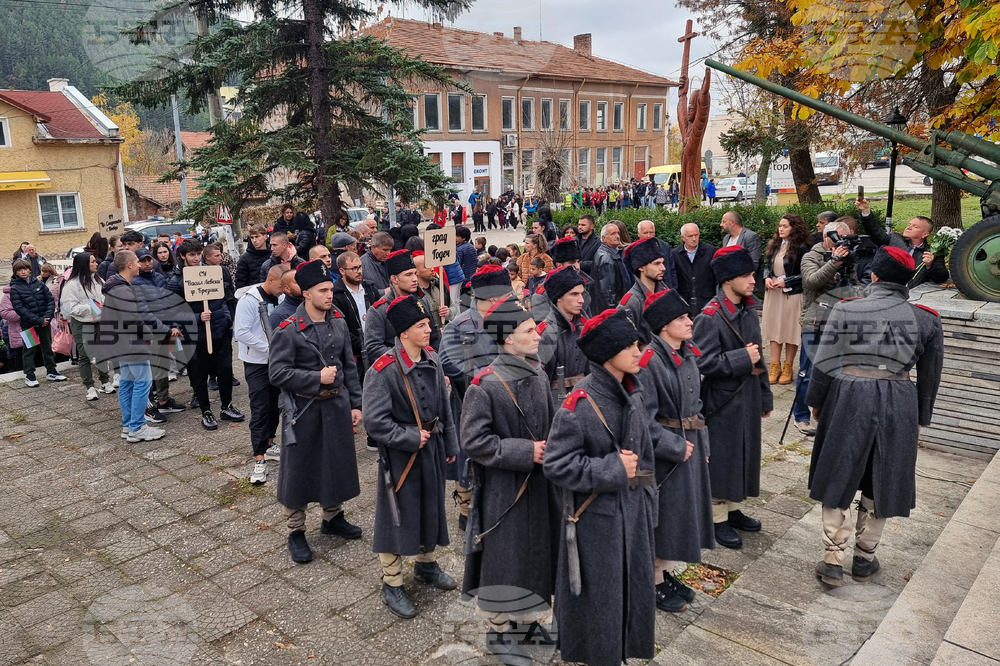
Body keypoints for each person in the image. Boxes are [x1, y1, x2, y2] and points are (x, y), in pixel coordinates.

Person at [807, 247, 943, 586]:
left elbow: (824, 361)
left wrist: (816, 402)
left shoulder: (846, 309)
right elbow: (930, 376)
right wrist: (920, 417)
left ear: (875, 276)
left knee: (839, 470)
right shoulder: (927, 318)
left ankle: (832, 560)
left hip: (848, 396)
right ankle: (865, 558)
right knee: (883, 475)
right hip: (899, 400)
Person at [543, 308, 657, 666]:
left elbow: (646, 458)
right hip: (596, 523)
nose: (639, 352)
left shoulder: (633, 393)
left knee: (630, 593)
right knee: (600, 605)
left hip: (632, 515)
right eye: (631, 346)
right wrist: (611, 468)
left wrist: (649, 506)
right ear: (609, 353)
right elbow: (556, 465)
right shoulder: (578, 406)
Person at [460, 295, 558, 660]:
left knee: (534, 554)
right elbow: (474, 442)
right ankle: (499, 632)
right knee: (506, 558)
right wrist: (525, 452)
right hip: (504, 491)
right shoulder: (483, 385)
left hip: (540, 486)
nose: (538, 335)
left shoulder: (539, 372)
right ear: (507, 338)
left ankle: (526, 621)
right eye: (529, 330)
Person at [363, 295, 459, 618]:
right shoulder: (383, 370)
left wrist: (450, 447)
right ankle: (392, 583)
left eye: (427, 323)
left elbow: (445, 408)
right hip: (401, 458)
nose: (429, 329)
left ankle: (426, 565)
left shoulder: (432, 357)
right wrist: (409, 437)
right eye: (421, 326)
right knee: (396, 518)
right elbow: (375, 422)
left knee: (431, 507)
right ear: (404, 333)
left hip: (431, 449)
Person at [269, 260, 364, 563]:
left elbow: (349, 366)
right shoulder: (288, 329)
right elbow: (277, 373)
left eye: (330, 289)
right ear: (306, 293)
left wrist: (356, 403)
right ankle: (296, 530)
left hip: (336, 406)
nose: (330, 295)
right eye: (322, 290)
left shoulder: (337, 321)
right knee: (299, 471)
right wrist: (314, 378)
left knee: (334, 464)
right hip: (304, 409)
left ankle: (332, 517)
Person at [638, 289, 715, 613]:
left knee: (681, 517)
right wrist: (672, 445)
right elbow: (641, 420)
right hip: (666, 453)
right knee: (664, 518)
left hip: (689, 447)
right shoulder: (648, 362)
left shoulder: (687, 352)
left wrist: (703, 445)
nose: (689, 322)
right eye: (682, 318)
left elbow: (697, 408)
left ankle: (665, 572)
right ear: (664, 325)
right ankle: (652, 580)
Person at [693, 246, 773, 550]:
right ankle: (716, 519)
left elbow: (759, 356)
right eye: (746, 275)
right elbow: (704, 363)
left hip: (748, 397)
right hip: (723, 400)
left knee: (744, 454)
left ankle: (733, 507)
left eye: (753, 274)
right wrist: (741, 357)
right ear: (728, 280)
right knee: (724, 458)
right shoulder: (710, 317)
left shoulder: (748, 309)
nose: (754, 280)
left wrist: (765, 397)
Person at [439, 265, 511, 530]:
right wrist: (487, 376)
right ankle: (466, 507)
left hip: (504, 403)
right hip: (468, 402)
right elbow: (446, 362)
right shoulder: (459, 325)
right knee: (466, 456)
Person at [167, 239, 244, 430]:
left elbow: (225, 298)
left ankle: (226, 406)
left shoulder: (212, 273)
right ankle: (206, 411)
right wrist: (197, 317)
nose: (196, 258)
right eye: (191, 255)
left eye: (198, 253)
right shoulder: (176, 281)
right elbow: (172, 312)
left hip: (219, 331)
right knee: (199, 375)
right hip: (194, 336)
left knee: (225, 370)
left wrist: (226, 318)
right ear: (182, 256)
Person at [796, 220, 860, 437]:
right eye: (837, 240)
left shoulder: (846, 258)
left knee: (836, 370)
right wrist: (833, 262)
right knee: (809, 371)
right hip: (815, 321)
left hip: (838, 322)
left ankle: (826, 413)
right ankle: (801, 416)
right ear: (826, 237)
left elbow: (854, 286)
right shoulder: (811, 256)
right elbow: (812, 281)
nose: (840, 245)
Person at [96, 250, 164, 442]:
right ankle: (137, 427)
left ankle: (128, 425)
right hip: (131, 344)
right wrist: (148, 335)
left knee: (126, 383)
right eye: (136, 261)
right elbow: (132, 318)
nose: (140, 264)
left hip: (121, 344)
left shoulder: (116, 287)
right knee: (143, 383)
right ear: (129, 265)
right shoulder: (123, 289)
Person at [235, 264, 287, 485]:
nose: (284, 291)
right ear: (271, 279)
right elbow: (242, 332)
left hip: (276, 361)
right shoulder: (249, 300)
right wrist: (269, 347)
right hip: (256, 362)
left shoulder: (281, 298)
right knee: (259, 408)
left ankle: (270, 443)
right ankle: (259, 458)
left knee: (276, 405)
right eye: (282, 286)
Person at [132, 248, 186, 423]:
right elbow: (144, 311)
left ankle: (163, 400)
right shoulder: (135, 282)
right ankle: (148, 407)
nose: (147, 263)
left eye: (149, 260)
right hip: (148, 332)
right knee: (148, 370)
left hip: (164, 329)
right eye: (143, 261)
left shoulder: (159, 277)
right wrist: (167, 328)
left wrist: (175, 325)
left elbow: (169, 303)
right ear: (137, 262)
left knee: (162, 365)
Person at [364, 250, 442, 364]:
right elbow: (373, 347)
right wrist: (406, 359)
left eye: (415, 273)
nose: (415, 279)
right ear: (394, 279)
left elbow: (434, 336)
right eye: (408, 275)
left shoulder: (422, 300)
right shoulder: (379, 309)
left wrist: (438, 365)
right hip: (397, 371)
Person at [761, 214, 811, 385]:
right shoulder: (775, 244)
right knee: (774, 327)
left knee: (790, 329)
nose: (781, 229)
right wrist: (767, 277)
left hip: (792, 292)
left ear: (794, 228)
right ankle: (775, 364)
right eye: (780, 225)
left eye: (785, 226)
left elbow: (806, 273)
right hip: (773, 290)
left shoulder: (803, 247)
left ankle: (788, 365)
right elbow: (767, 264)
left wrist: (787, 281)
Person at [855, 197, 949, 288]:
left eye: (915, 226)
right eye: (909, 225)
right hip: (890, 291)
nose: (908, 227)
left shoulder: (932, 252)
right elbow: (875, 232)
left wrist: (930, 265)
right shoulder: (894, 239)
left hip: (914, 296)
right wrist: (866, 211)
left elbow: (942, 277)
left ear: (925, 234)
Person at [59, 252, 114, 399]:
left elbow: (105, 297)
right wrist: (93, 307)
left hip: (100, 321)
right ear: (83, 264)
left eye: (95, 261)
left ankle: (105, 381)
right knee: (85, 356)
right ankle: (89, 387)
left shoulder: (98, 280)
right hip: (83, 324)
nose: (96, 264)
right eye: (92, 262)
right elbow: (71, 309)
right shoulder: (72, 285)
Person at [9, 258, 66, 387]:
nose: (23, 272)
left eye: (25, 269)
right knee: (29, 350)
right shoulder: (15, 288)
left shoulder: (39, 283)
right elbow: (20, 309)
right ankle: (30, 375)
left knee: (48, 348)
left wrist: (47, 317)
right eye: (20, 270)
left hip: (44, 323)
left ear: (30, 270)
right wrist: (38, 320)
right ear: (16, 272)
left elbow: (50, 300)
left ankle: (51, 371)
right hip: (28, 325)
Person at [536, 266, 589, 401]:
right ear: (559, 297)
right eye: (574, 294)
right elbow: (540, 383)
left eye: (581, 294)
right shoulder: (546, 334)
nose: (581, 300)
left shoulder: (585, 327)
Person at [618, 237, 668, 347]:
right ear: (641, 267)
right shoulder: (631, 302)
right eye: (656, 264)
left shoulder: (667, 295)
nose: (663, 268)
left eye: (663, 263)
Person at [673, 223, 717, 316]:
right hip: (685, 301)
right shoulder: (675, 254)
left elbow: (717, 276)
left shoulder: (711, 251)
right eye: (690, 236)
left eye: (696, 235)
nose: (694, 238)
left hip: (707, 300)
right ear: (682, 237)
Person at [590, 223, 631, 313]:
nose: (617, 236)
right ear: (604, 238)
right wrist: (615, 312)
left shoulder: (611, 254)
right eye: (613, 234)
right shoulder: (606, 259)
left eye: (618, 233)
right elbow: (608, 292)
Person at [412, 251, 452, 329]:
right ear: (416, 272)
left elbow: (453, 306)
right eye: (427, 266)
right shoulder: (413, 293)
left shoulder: (439, 285)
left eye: (432, 265)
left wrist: (448, 312)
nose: (432, 269)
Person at [636, 220, 678, 290]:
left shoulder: (664, 246)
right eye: (645, 233)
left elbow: (672, 271)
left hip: (665, 289)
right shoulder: (633, 250)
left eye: (651, 232)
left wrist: (673, 290)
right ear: (638, 233)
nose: (648, 236)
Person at [236, 224, 272, 289]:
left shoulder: (273, 254)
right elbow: (240, 283)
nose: (254, 240)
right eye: (252, 238)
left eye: (257, 237)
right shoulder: (244, 259)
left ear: (265, 237)